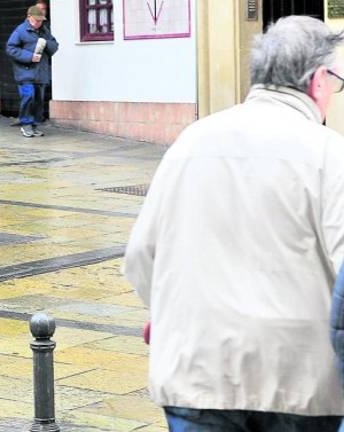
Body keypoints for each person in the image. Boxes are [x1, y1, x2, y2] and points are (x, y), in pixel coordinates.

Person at [125, 16, 344, 431]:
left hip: (197, 372)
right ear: (318, 80)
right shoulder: (329, 154)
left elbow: (140, 255)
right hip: (298, 384)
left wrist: (171, 313)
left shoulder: (191, 141)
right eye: (336, 81)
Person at [5, 5, 58, 138]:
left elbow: (55, 46)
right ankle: (26, 124)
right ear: (29, 18)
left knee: (39, 101)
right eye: (37, 20)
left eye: (41, 21)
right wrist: (29, 57)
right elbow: (11, 48)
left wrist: (46, 43)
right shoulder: (20, 31)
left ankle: (34, 125)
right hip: (25, 72)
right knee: (28, 97)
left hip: (41, 73)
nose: (39, 23)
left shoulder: (44, 31)